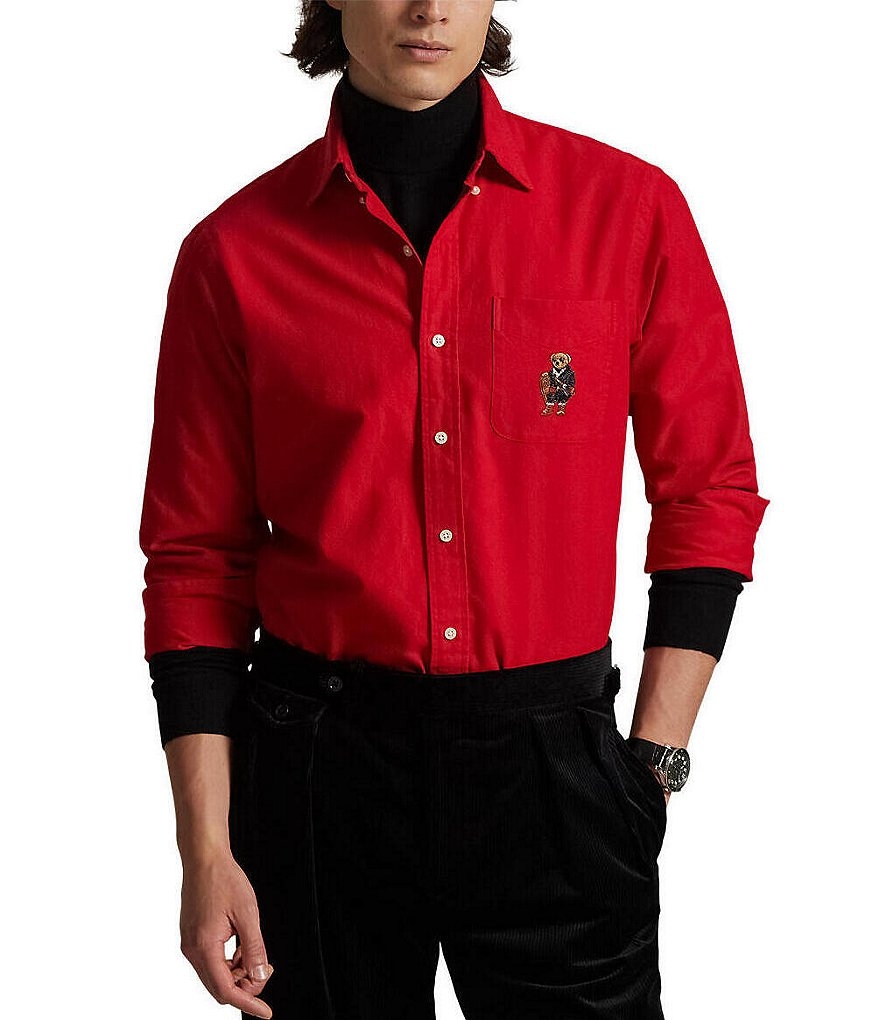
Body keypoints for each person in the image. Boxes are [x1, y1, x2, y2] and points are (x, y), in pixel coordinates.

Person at [138, 2, 771, 1018]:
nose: (429, 7)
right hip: (318, 767)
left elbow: (708, 489)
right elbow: (195, 560)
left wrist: (651, 759)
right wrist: (205, 849)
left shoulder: (627, 210)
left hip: (552, 765)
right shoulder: (234, 252)